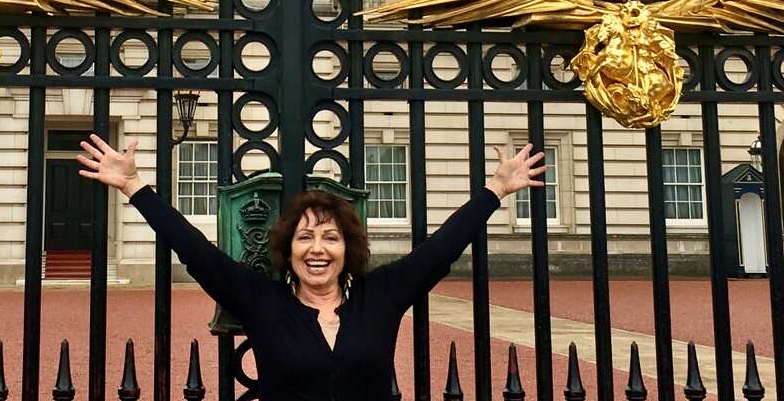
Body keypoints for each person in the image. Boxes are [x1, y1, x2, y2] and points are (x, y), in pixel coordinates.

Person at [77, 133, 544, 401]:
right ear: (288, 249)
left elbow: (439, 249)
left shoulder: (378, 296)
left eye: (330, 237)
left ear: (348, 249)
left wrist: (495, 191)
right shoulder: (262, 301)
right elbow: (196, 252)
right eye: (305, 237)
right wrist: (136, 187)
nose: (317, 249)